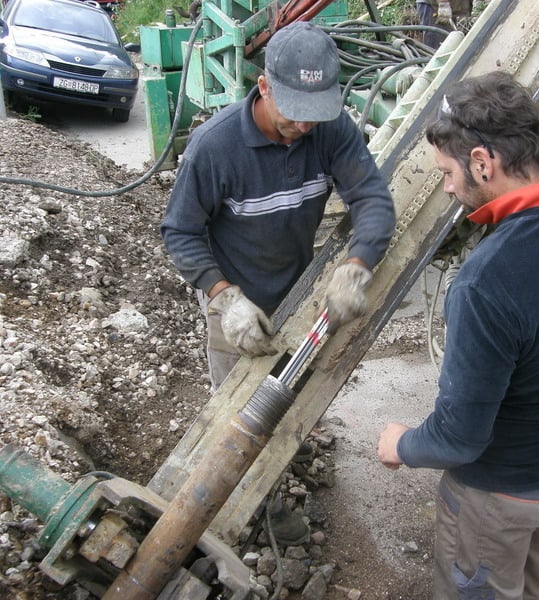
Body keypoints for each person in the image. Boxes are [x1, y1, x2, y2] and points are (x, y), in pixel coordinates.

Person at [376, 70, 539, 599]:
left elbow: (459, 437)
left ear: (483, 161)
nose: (448, 187)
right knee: (528, 584)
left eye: (449, 173)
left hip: (498, 494)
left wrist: (401, 445)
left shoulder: (485, 283)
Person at [161, 21, 396, 544]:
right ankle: (251, 512)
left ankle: (285, 458)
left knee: (289, 396)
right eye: (295, 114)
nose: (306, 128)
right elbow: (179, 230)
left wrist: (358, 263)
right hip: (237, 304)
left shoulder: (330, 128)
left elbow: (373, 199)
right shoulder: (215, 147)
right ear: (264, 87)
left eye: (317, 115)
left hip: (300, 294)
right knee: (238, 416)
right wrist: (224, 298)